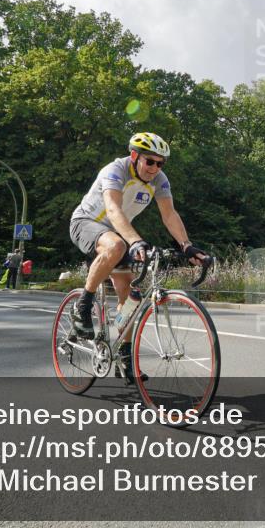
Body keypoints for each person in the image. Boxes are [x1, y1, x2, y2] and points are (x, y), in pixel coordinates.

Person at [69, 132, 208, 384]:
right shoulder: (115, 170)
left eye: (160, 163)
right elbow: (113, 209)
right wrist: (135, 241)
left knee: (130, 296)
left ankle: (124, 357)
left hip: (117, 232)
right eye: (149, 161)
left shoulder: (159, 180)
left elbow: (169, 214)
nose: (155, 168)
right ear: (134, 156)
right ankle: (83, 306)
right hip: (86, 223)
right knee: (117, 245)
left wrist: (186, 246)